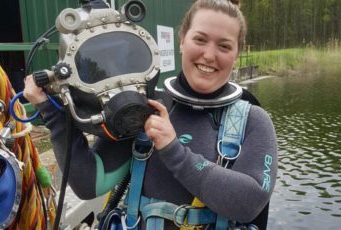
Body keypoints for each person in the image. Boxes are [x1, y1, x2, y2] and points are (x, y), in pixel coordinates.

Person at [23, 0, 278, 229]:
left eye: (224, 46)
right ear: (182, 40)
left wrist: (173, 150)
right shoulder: (146, 108)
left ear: (237, 53)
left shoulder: (253, 119)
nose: (209, 55)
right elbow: (90, 183)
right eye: (200, 40)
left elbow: (249, 204)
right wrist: (52, 112)